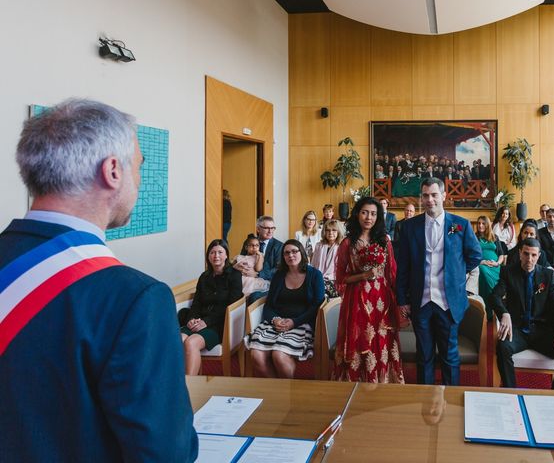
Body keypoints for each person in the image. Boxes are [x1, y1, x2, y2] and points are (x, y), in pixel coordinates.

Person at [0, 99, 197, 461]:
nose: (138, 180)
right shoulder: (136, 299)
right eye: (137, 166)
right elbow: (166, 453)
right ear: (112, 171)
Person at [396, 178, 482, 385]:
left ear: (444, 196)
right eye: (425, 195)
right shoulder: (410, 227)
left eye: (434, 195)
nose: (429, 199)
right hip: (421, 301)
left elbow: (475, 255)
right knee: (424, 356)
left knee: (449, 356)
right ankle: (426, 402)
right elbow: (403, 267)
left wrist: (456, 275)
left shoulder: (459, 225)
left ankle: (450, 403)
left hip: (448, 303)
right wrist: (402, 299)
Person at [333, 197, 405, 383]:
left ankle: (382, 380)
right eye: (364, 212)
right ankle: (357, 383)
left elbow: (392, 274)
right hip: (357, 300)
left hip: (382, 300)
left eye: (373, 214)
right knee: (360, 339)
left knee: (381, 339)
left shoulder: (384, 242)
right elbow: (340, 278)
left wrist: (400, 300)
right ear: (357, 214)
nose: (368, 217)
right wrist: (362, 276)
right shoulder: (347, 244)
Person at [492, 238, 554, 389]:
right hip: (517, 330)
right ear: (520, 253)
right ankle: (511, 392)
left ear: (539, 256)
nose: (529, 259)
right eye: (526, 254)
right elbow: (494, 296)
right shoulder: (508, 272)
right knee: (502, 347)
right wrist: (504, 313)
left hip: (542, 331)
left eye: (533, 255)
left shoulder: (547, 275)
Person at [246, 239, 325, 378]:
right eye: (286, 253)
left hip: (302, 323)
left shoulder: (315, 275)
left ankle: (288, 395)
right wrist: (275, 319)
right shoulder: (279, 275)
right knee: (256, 355)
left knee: (279, 355)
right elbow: (269, 304)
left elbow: (316, 306)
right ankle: (277, 392)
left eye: (294, 251)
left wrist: (294, 322)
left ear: (302, 252)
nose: (291, 255)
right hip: (277, 323)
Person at [181, 239, 243, 375]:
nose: (216, 256)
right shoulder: (204, 277)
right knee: (178, 339)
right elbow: (196, 303)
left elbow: (230, 307)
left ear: (226, 255)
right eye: (212, 253)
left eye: (220, 252)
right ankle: (177, 382)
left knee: (191, 343)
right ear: (208, 256)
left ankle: (189, 385)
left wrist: (206, 322)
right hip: (199, 320)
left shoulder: (234, 276)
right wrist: (191, 319)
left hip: (219, 324)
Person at [247, 215, 283, 303]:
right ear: (258, 229)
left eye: (272, 228)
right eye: (267, 228)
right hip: (248, 279)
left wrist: (258, 274)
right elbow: (243, 258)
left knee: (254, 296)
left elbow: (278, 269)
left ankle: (248, 316)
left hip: (269, 282)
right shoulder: (250, 242)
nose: (270, 231)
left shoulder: (279, 246)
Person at [475, 215, 505, 319]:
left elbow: (501, 254)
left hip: (495, 266)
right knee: (482, 271)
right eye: (479, 223)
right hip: (481, 264)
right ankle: (488, 308)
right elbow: (470, 254)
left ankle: (494, 306)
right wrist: (481, 261)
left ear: (487, 225)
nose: (480, 225)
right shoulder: (474, 237)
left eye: (483, 223)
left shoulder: (494, 237)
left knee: (486, 274)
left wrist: (497, 263)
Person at [310, 219, 345, 298]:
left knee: (320, 291)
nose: (330, 233)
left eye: (334, 230)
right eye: (328, 230)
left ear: (338, 232)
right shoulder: (319, 245)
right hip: (318, 278)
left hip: (334, 280)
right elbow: (313, 265)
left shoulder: (342, 247)